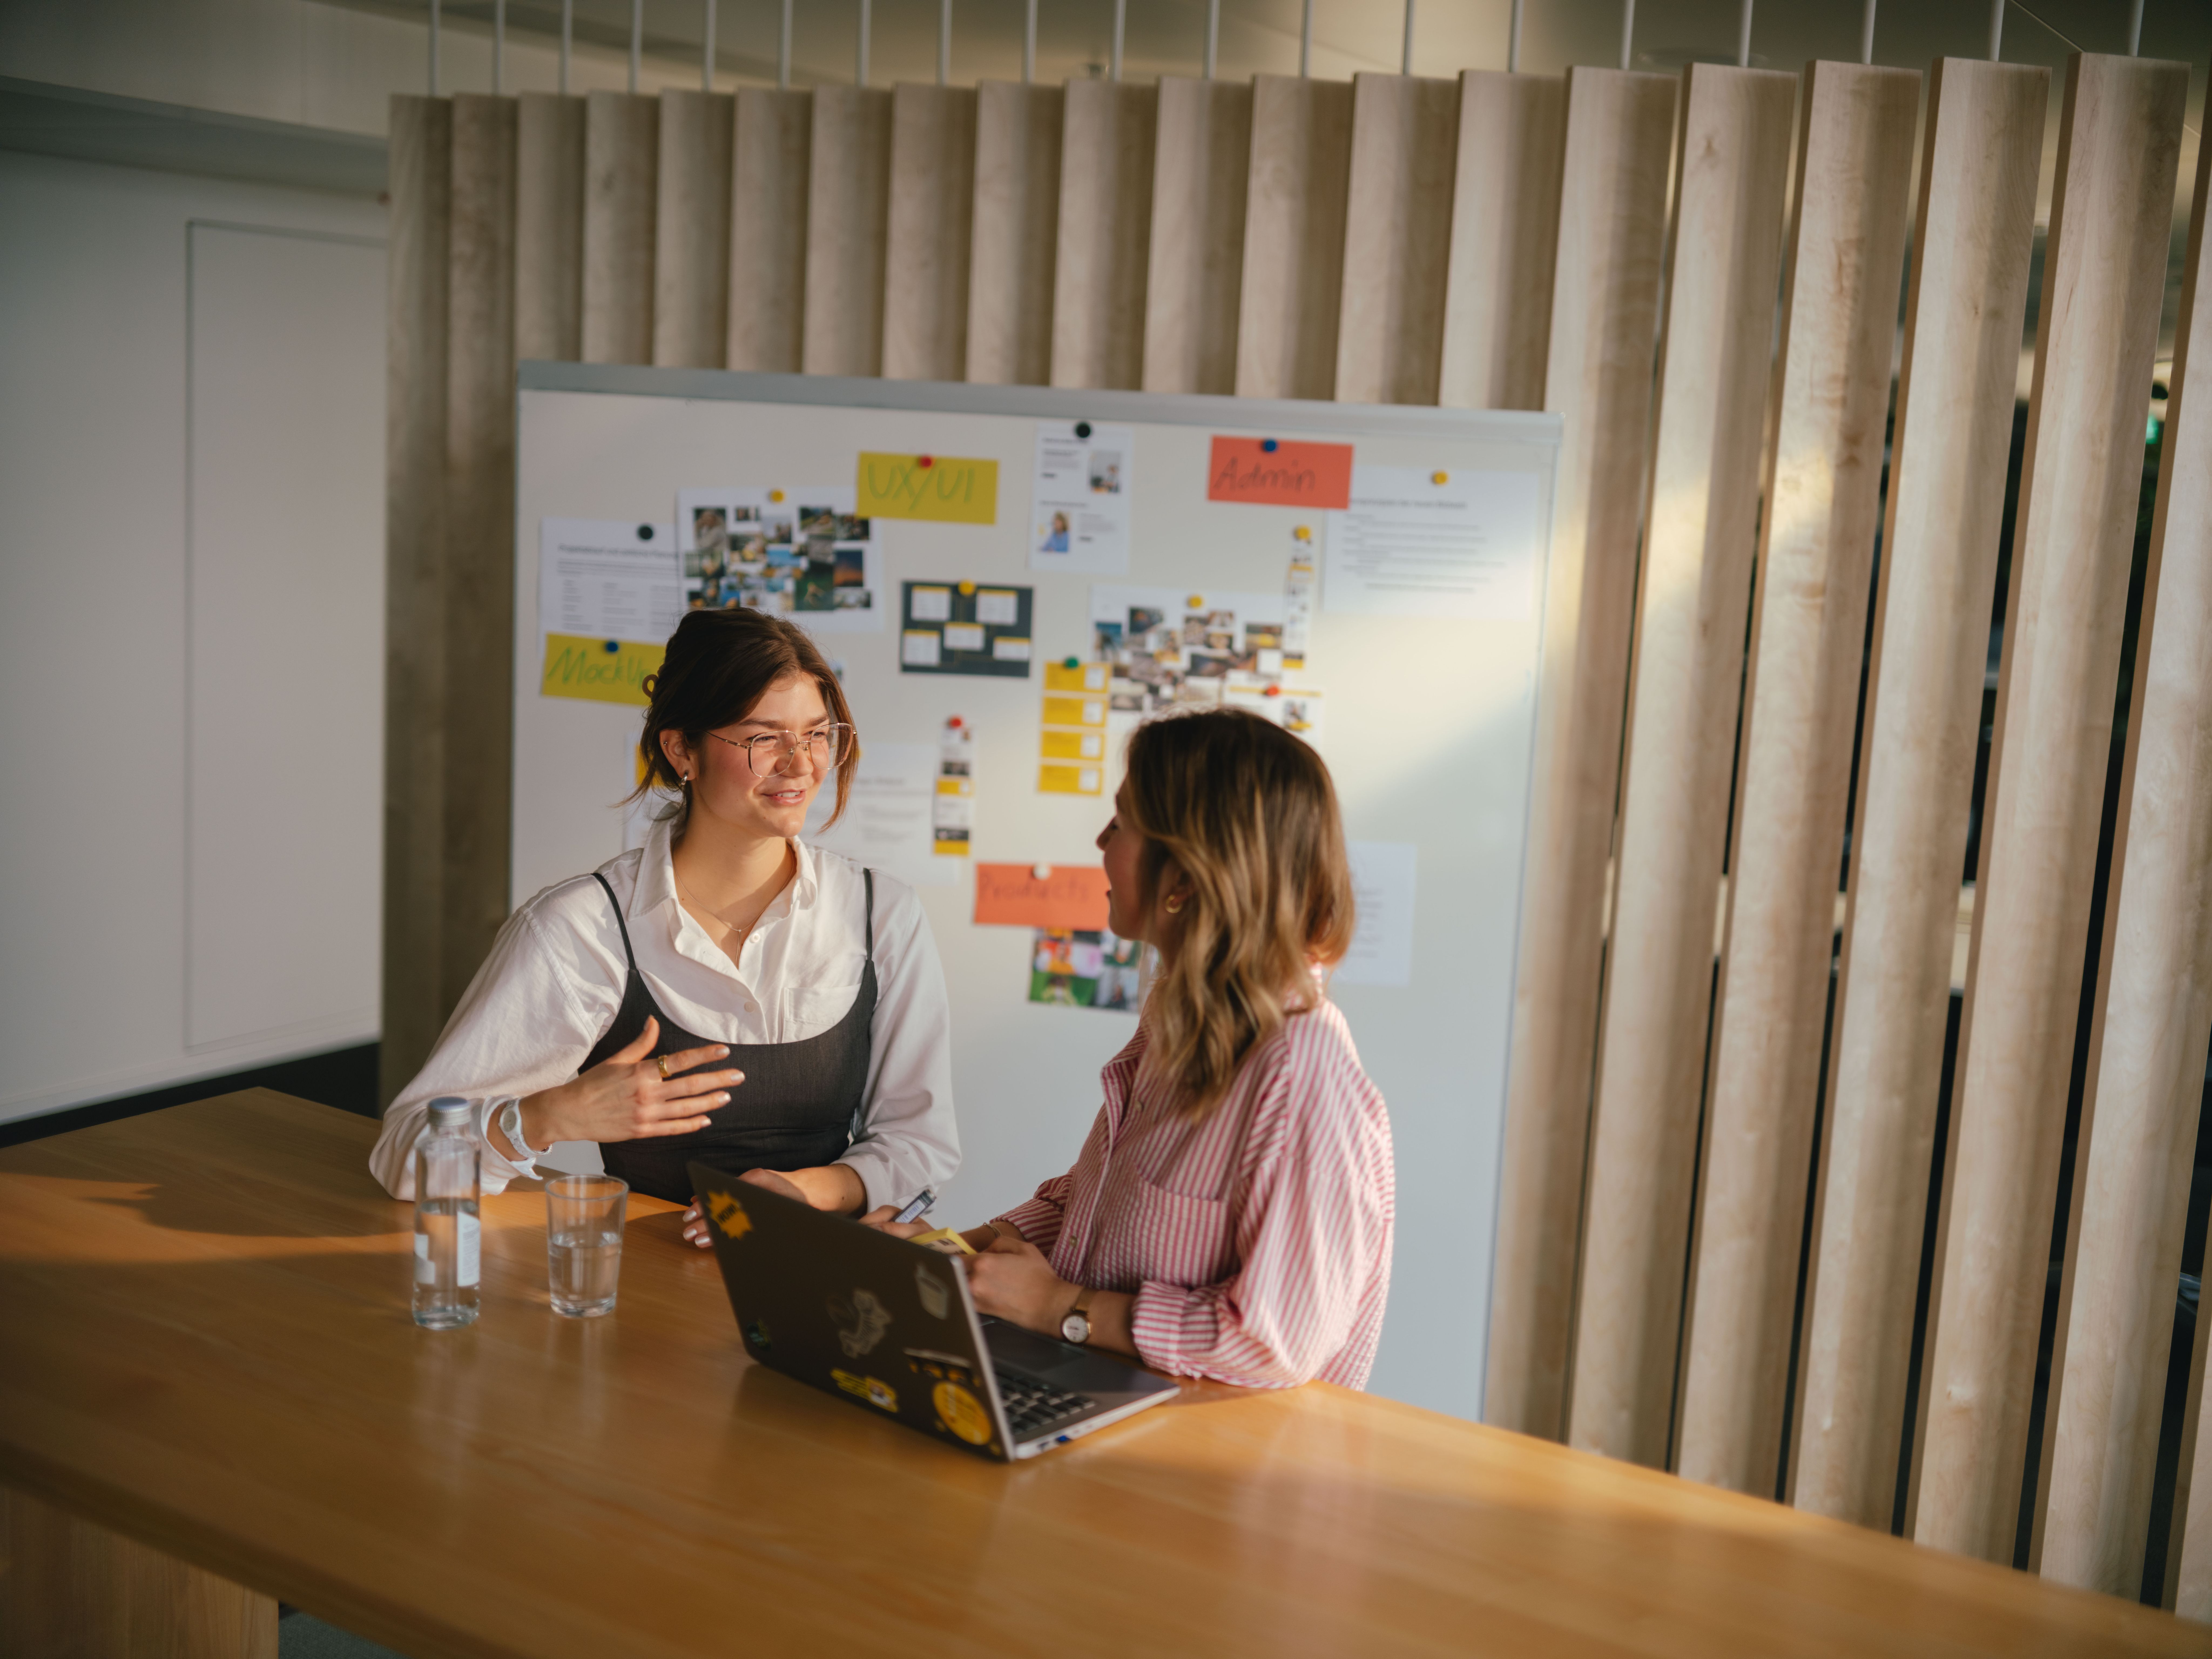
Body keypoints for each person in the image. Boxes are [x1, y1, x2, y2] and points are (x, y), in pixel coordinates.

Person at [370, 609, 958, 1225]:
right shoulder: (582, 929)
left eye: (816, 734)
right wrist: (547, 1117)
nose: (801, 763)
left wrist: (804, 1191)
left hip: (818, 1285)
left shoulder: (880, 914)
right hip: (642, 1289)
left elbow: (920, 1144)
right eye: (763, 738)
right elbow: (405, 1158)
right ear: (682, 750)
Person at [872, 709, 1393, 1389]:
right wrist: (957, 1252)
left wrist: (1058, 1308)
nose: (1100, 840)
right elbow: (1097, 1204)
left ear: (1185, 874)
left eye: (1120, 823)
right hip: (1109, 1403)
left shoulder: (1299, 1070)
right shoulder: (1180, 1015)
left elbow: (1272, 1342)